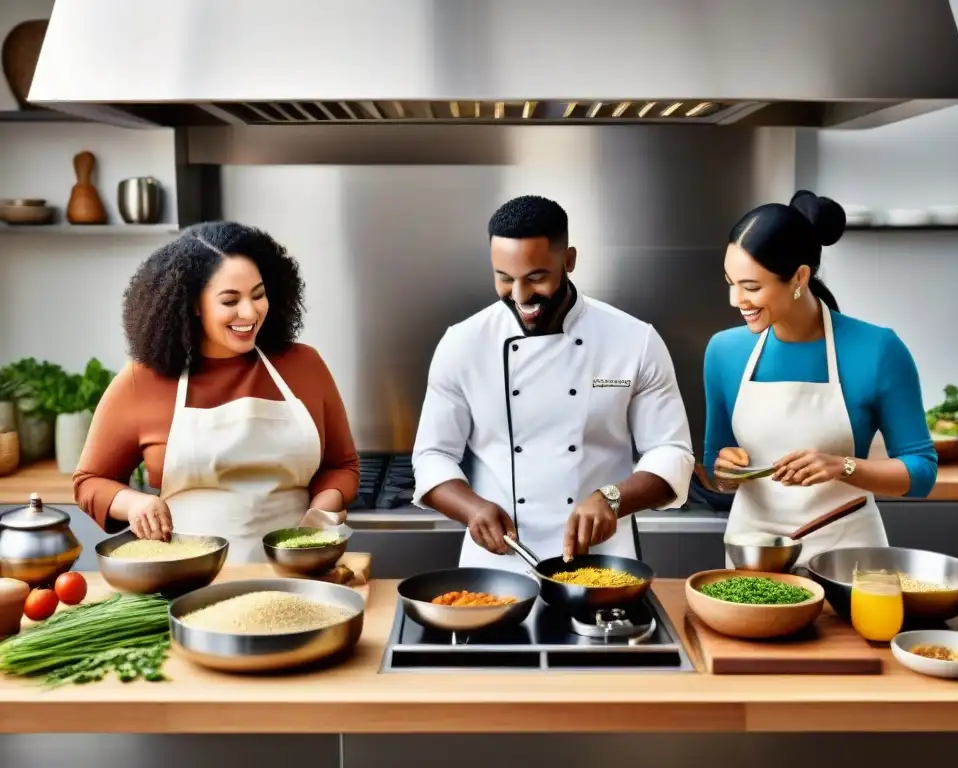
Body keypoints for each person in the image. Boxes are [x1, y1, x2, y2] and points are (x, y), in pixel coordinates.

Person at [411, 195, 695, 571]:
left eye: (536, 277)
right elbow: (432, 455)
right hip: (497, 565)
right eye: (504, 278)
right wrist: (473, 508)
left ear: (569, 260)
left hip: (604, 562)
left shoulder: (634, 340)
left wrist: (611, 498)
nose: (519, 296)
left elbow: (671, 452)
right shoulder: (463, 343)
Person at [73, 222, 360, 564]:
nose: (250, 313)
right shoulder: (142, 381)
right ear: (194, 304)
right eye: (230, 300)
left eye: (258, 295)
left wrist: (322, 513)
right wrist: (134, 503)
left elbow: (341, 465)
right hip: (186, 577)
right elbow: (89, 481)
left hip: (297, 571)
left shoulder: (304, 366)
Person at [703, 190, 938, 566]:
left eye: (751, 287)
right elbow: (714, 461)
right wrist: (725, 473)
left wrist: (844, 466)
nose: (736, 300)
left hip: (847, 561)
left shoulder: (878, 350)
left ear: (799, 277)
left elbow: (922, 471)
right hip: (754, 560)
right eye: (730, 282)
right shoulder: (723, 353)